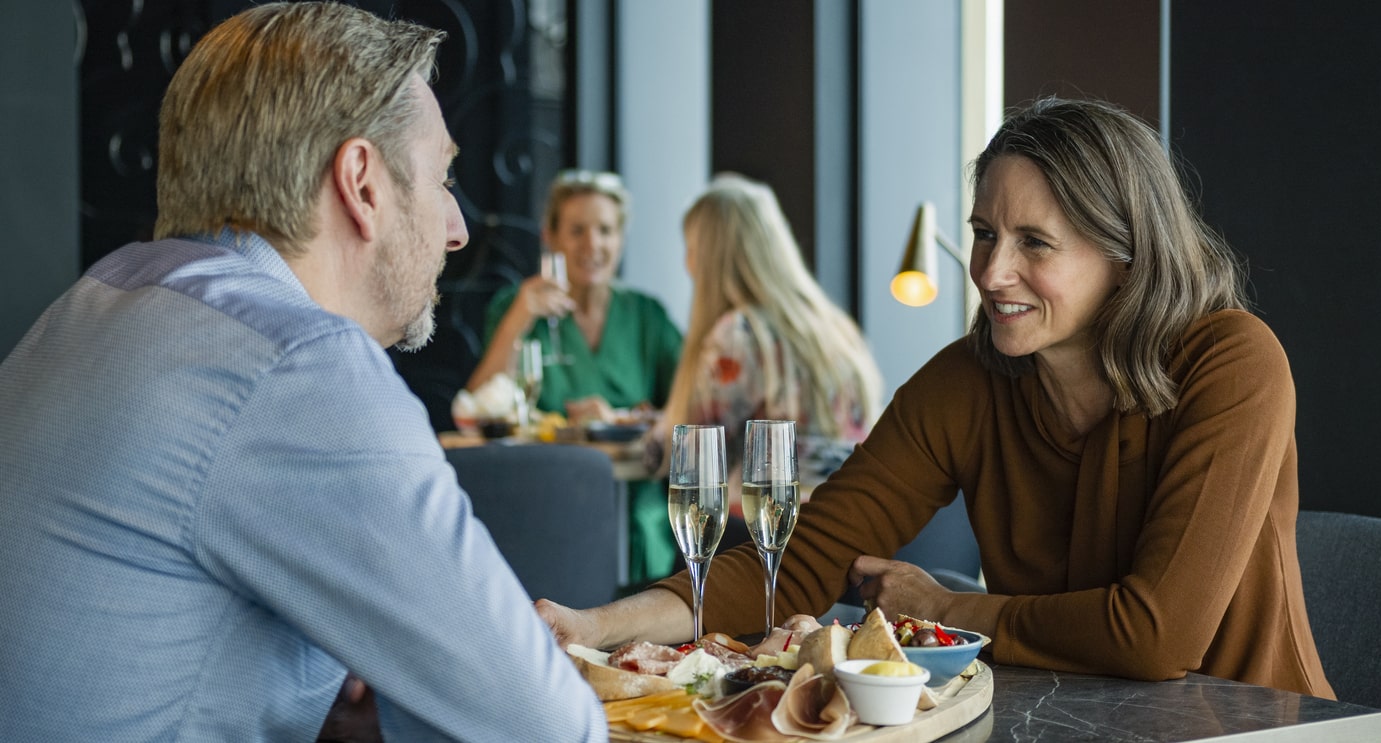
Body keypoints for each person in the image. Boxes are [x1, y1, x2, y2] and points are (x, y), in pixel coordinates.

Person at [537, 97, 1335, 699]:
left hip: (1250, 722)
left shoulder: (1231, 361)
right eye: (985, 233)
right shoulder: (970, 378)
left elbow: (1156, 635)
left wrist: (952, 606)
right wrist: (594, 627)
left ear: (1123, 257)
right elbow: (801, 562)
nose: (990, 272)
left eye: (1034, 243)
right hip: (1063, 717)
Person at [0, 4, 606, 741]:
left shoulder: (102, 298)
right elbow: (547, 725)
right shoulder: (296, 360)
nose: (458, 227)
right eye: (442, 178)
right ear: (362, 183)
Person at [466, 169, 682, 584]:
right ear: (550, 236)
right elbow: (479, 404)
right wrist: (519, 319)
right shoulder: (515, 305)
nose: (592, 245)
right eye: (577, 230)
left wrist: (621, 416)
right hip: (542, 501)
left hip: (635, 514)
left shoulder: (646, 315)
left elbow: (693, 407)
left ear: (620, 238)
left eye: (605, 230)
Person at [659, 173, 883, 509]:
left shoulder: (738, 333)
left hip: (770, 528)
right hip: (853, 516)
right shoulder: (833, 325)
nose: (687, 263)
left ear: (712, 258)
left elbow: (695, 455)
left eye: (691, 249)